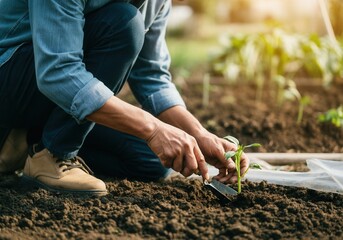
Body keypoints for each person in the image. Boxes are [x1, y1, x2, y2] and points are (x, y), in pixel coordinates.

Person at [0, 0, 249, 195]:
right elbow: (58, 73)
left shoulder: (159, 2)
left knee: (153, 161)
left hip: (46, 96)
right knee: (123, 23)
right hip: (10, 74)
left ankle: (25, 141)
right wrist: (153, 129)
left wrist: (199, 135)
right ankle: (52, 154)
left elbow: (151, 77)